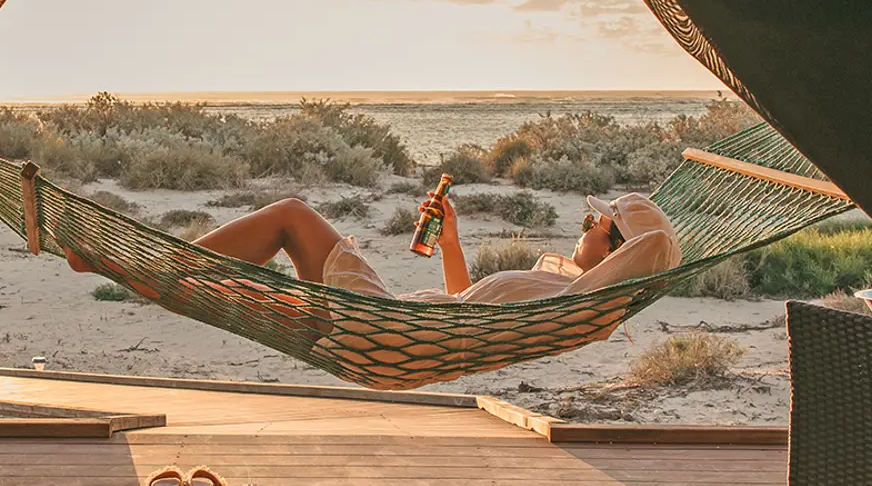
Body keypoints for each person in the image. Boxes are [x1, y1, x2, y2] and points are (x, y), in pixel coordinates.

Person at [65, 188, 681, 304]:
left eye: (594, 223)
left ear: (617, 248)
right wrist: (453, 236)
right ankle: (149, 272)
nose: (583, 224)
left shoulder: (561, 296)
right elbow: (465, 303)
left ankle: (147, 266)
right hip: (391, 323)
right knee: (283, 230)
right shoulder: (554, 292)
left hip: (384, 322)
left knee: (291, 215)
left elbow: (461, 318)